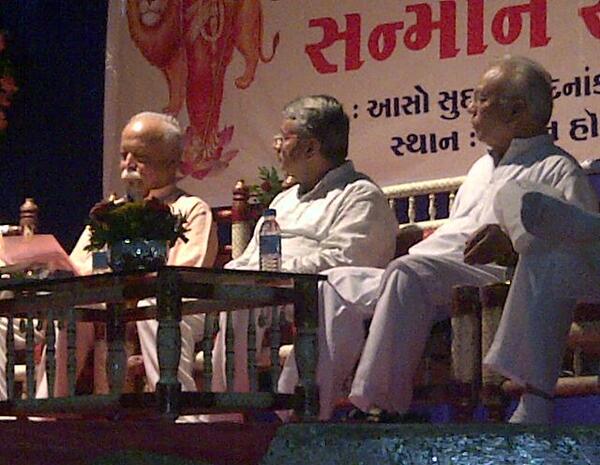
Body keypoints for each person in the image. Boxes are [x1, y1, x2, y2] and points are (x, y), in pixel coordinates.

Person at [277, 55, 598, 423]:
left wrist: (512, 247)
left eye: (481, 98)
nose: (471, 107)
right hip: (430, 270)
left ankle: (382, 407)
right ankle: (300, 412)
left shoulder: (557, 168)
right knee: (333, 282)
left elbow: (579, 251)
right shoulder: (481, 168)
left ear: (516, 110)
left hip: (491, 278)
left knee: (408, 273)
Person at [212, 95, 398, 394]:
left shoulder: (360, 196)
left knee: (246, 294)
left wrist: (277, 272)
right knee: (232, 288)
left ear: (311, 147)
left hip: (313, 297)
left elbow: (346, 265)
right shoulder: (284, 199)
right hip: (267, 289)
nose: (276, 146)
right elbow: (252, 256)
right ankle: (221, 407)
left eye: (284, 138)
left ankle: (241, 406)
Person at [38, 111, 218, 400]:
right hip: (110, 304)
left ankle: (175, 410)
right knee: (74, 309)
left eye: (141, 157)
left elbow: (186, 274)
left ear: (172, 163)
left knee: (154, 308)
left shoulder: (191, 209)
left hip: (168, 306)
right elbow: (78, 267)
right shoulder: (109, 212)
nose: (129, 164)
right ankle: (44, 409)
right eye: (124, 155)